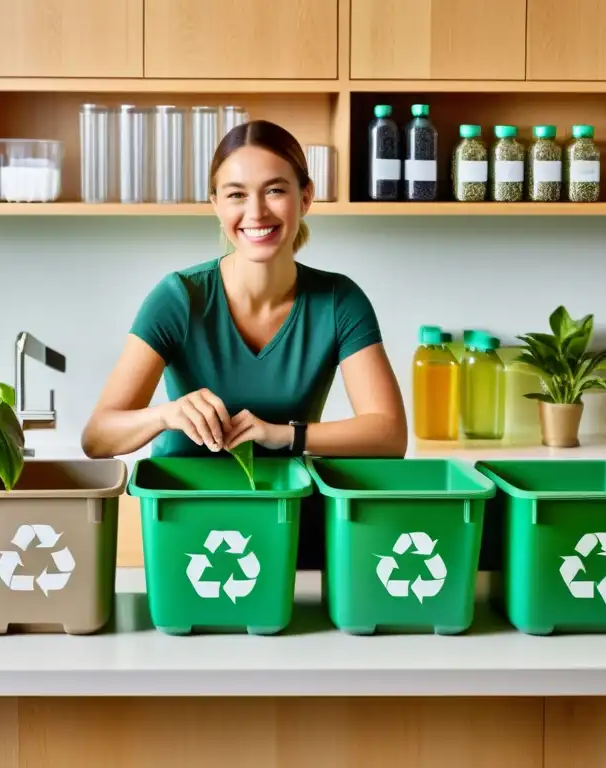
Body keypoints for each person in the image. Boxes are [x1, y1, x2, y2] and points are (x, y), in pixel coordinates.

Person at [81, 119, 408, 567]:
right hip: (187, 522)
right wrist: (166, 414)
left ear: (305, 197)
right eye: (236, 194)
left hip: (288, 519)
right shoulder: (179, 298)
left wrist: (282, 436)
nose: (256, 213)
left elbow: (389, 434)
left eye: (275, 190)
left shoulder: (338, 301)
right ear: (215, 204)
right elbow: (98, 438)